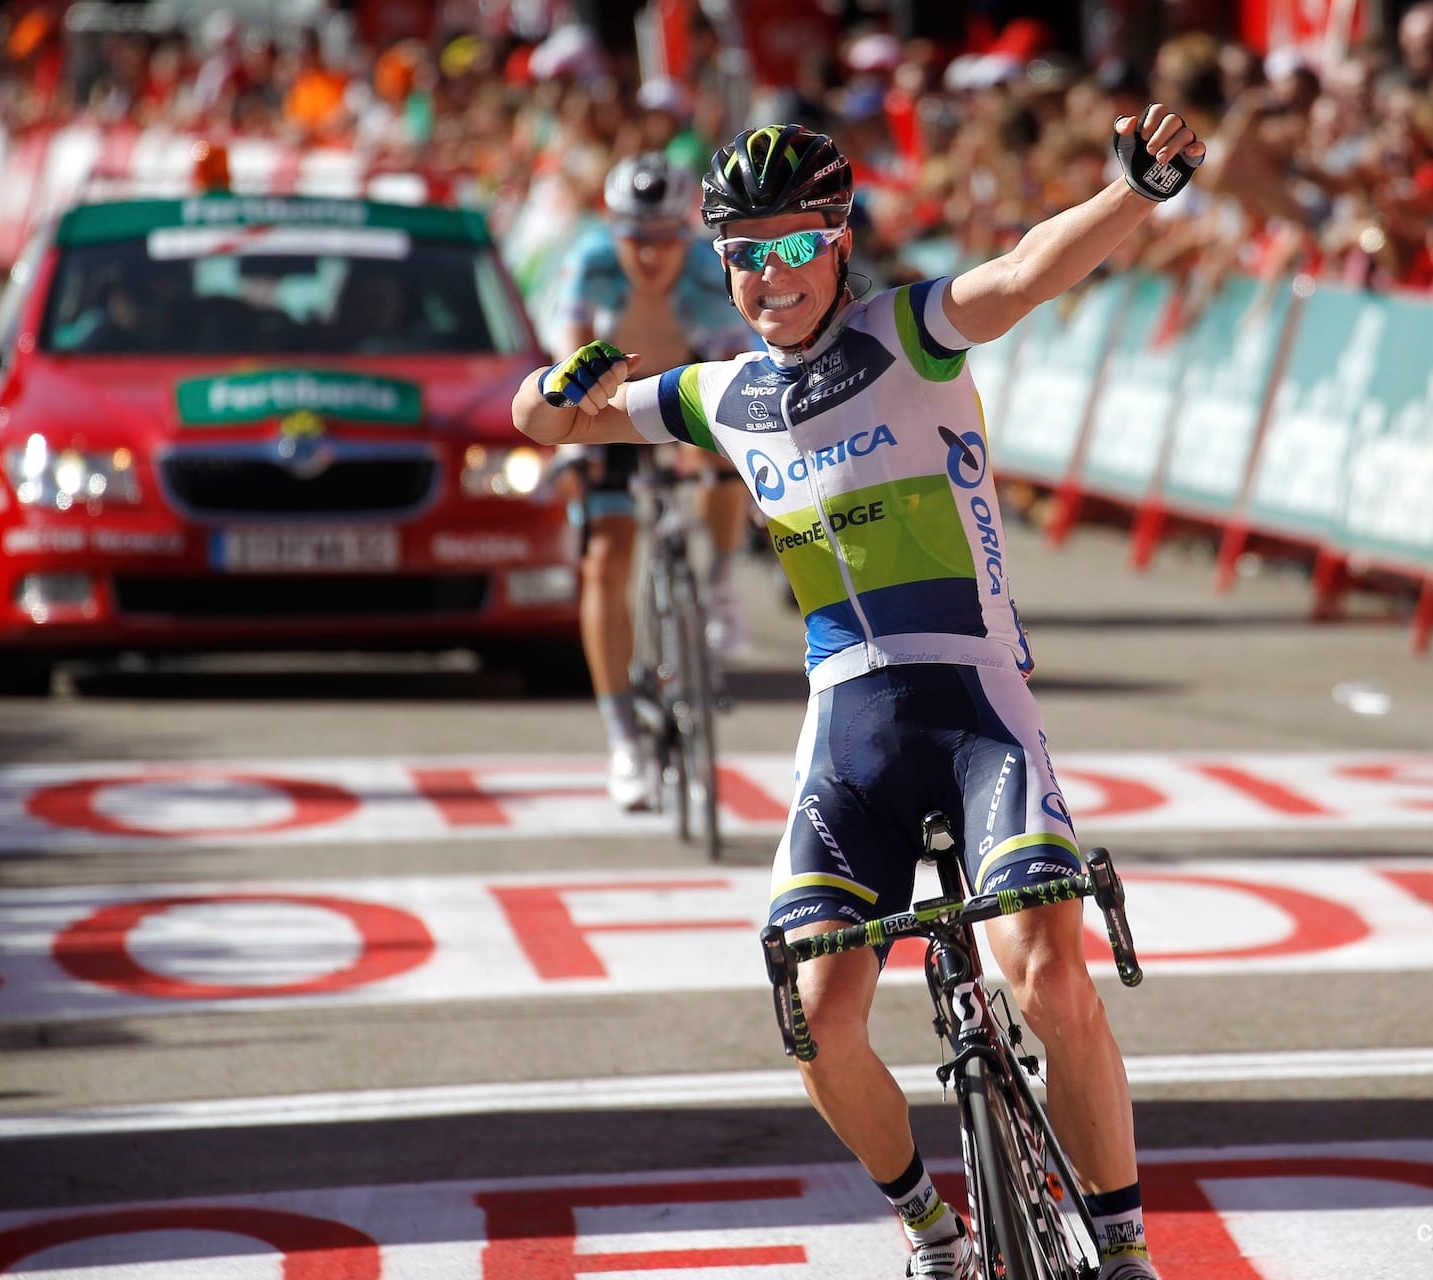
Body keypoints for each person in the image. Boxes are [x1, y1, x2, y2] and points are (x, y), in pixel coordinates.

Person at [515, 109, 1205, 1280]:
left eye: (797, 244)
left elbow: (1028, 273)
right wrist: (552, 382)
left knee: (1047, 975)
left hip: (976, 711)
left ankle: (1125, 1246)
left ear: (841, 241)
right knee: (814, 1018)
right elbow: (540, 424)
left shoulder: (910, 333)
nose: (771, 272)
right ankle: (934, 1232)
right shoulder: (723, 394)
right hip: (848, 736)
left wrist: (1134, 191)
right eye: (745, 252)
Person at [550, 152, 758, 810]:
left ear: (686, 233)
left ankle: (718, 584)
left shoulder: (707, 269)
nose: (649, 255)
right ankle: (623, 740)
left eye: (665, 238)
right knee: (607, 559)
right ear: (613, 231)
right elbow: (569, 362)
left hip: (684, 395)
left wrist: (738, 446)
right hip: (611, 409)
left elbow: (738, 366)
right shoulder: (590, 261)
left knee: (727, 466)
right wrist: (574, 447)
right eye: (636, 238)